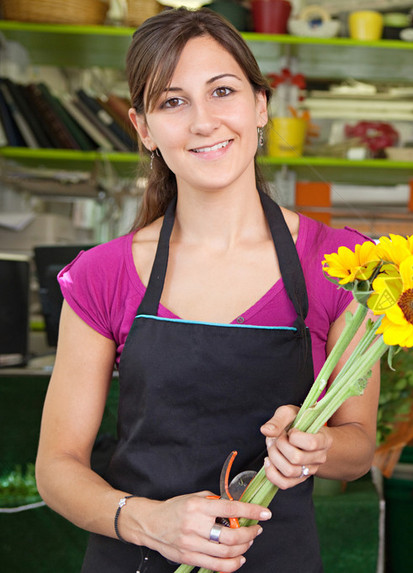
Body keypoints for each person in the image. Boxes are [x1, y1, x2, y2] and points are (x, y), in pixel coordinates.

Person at [34, 8, 379, 572]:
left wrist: (318, 448)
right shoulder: (104, 273)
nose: (203, 121)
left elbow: (358, 446)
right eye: (172, 101)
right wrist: (151, 521)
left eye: (222, 91)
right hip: (136, 560)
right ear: (143, 127)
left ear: (260, 105)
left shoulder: (341, 265)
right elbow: (57, 466)